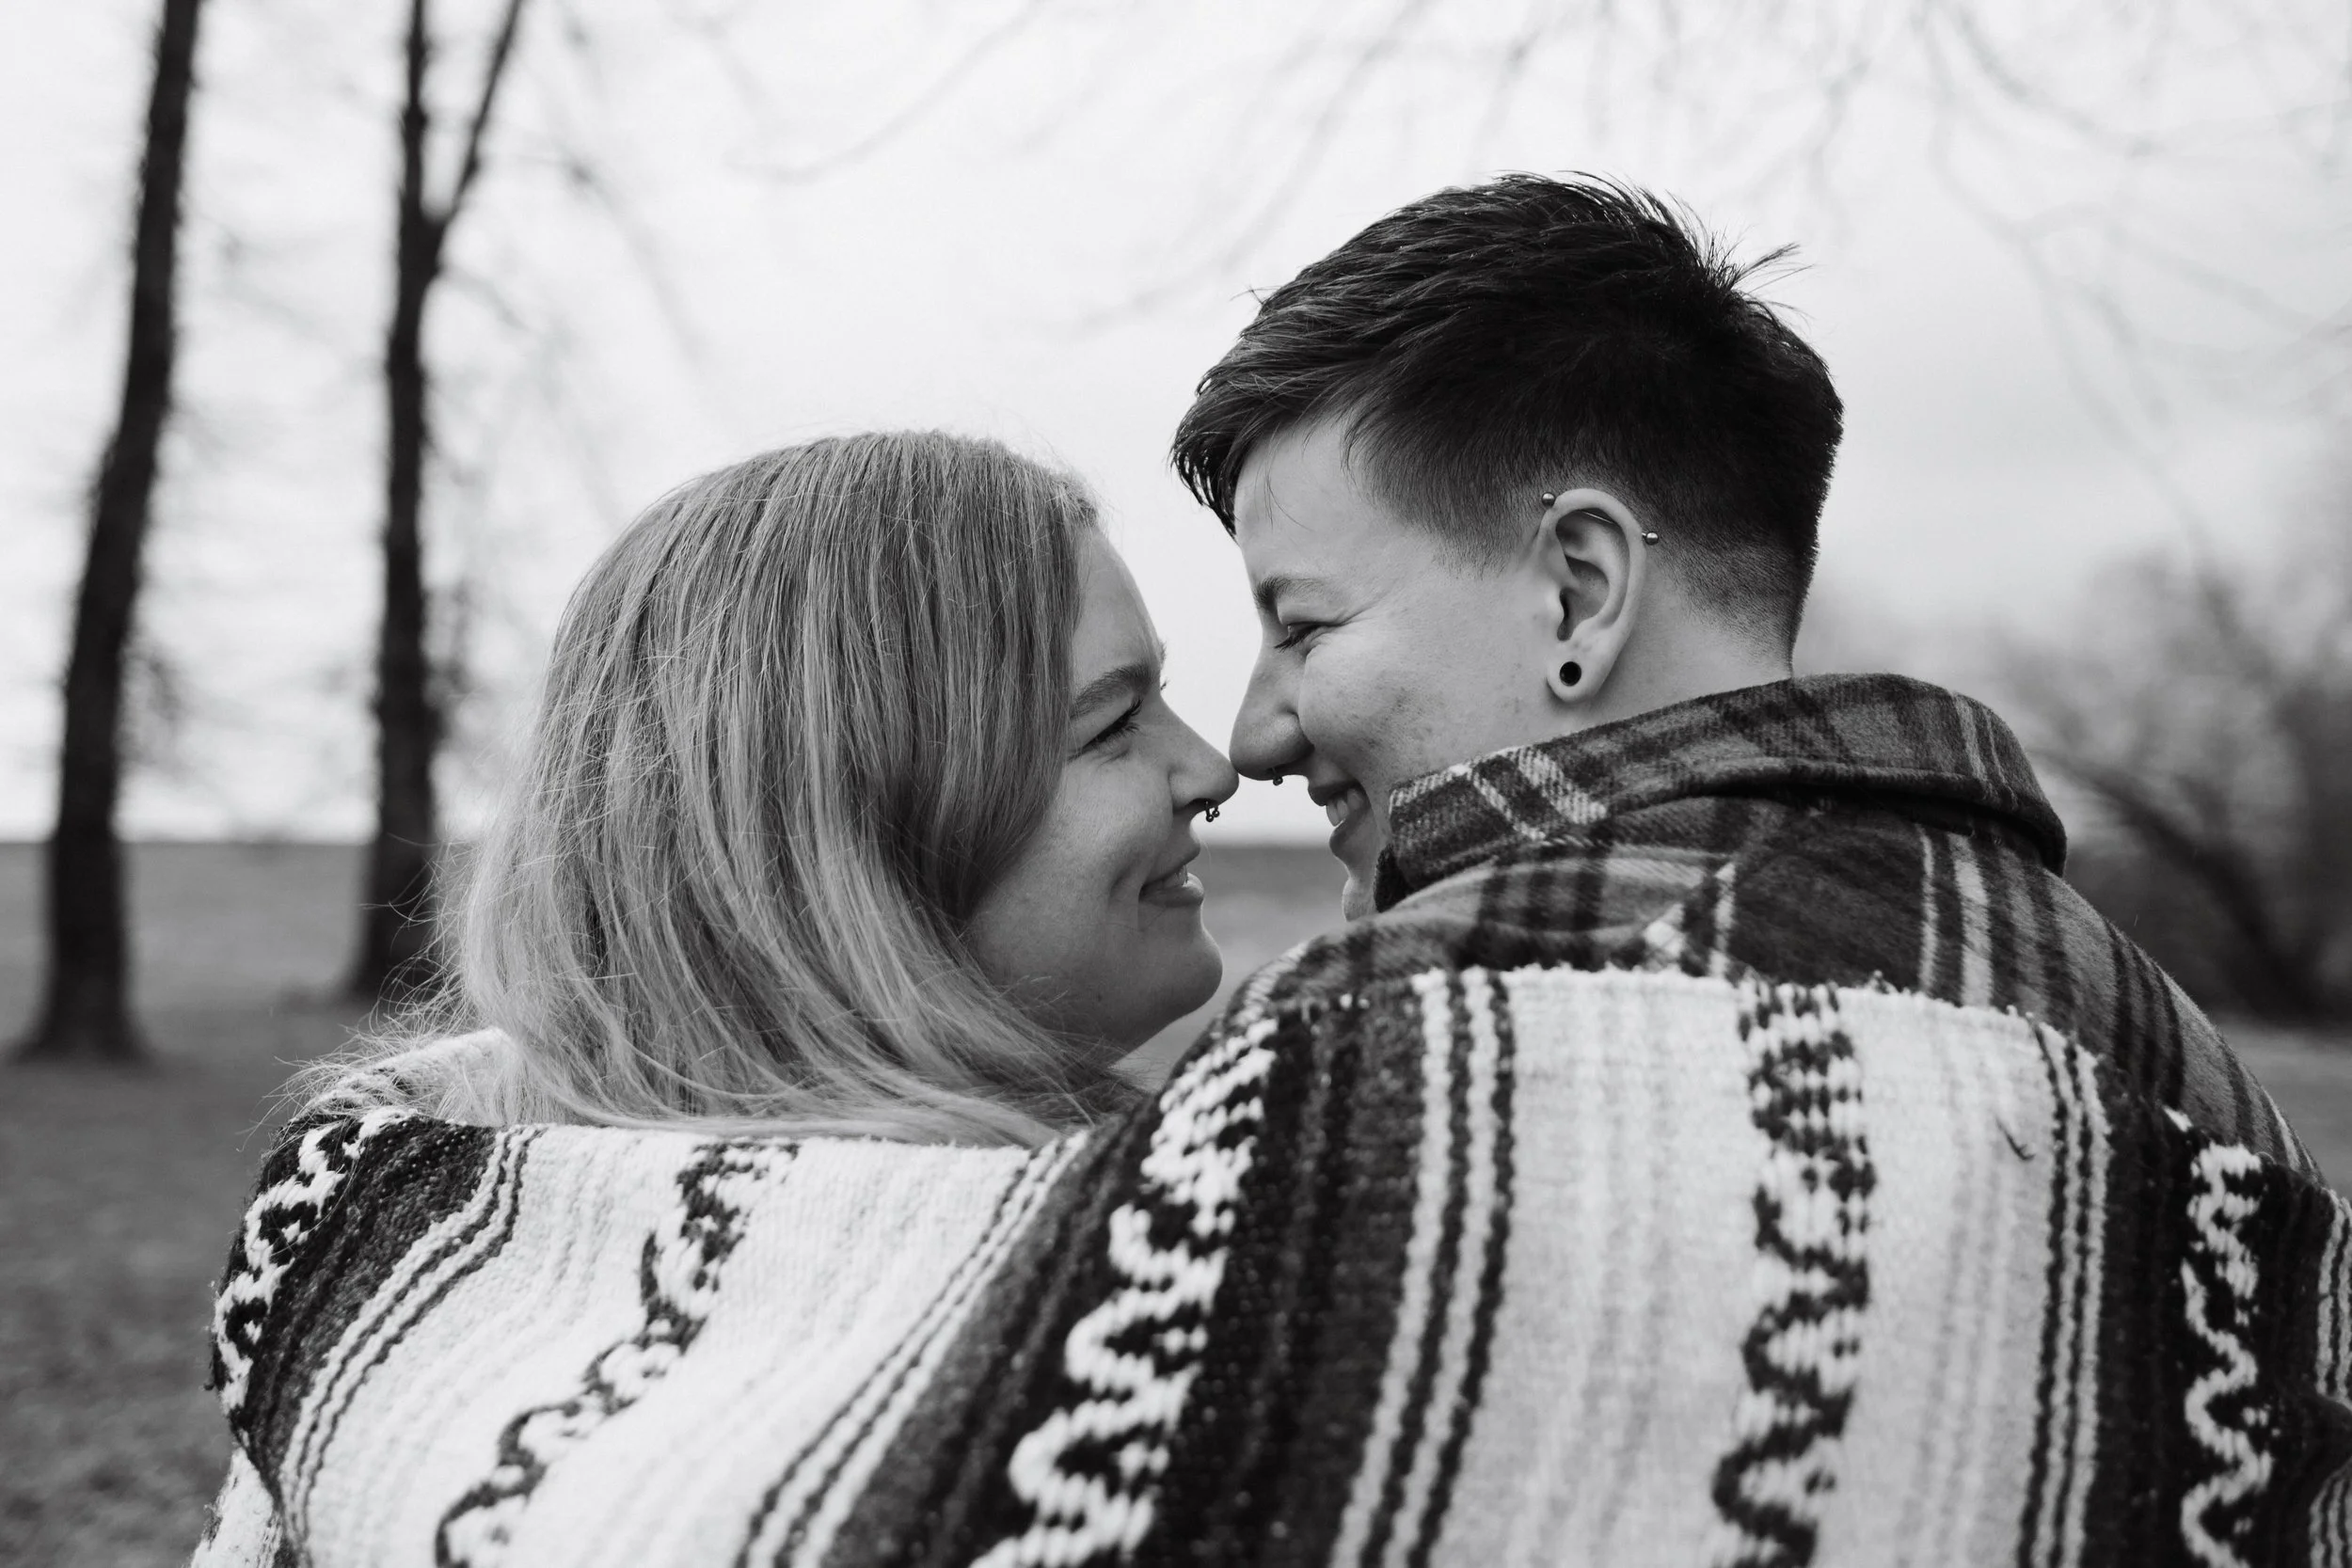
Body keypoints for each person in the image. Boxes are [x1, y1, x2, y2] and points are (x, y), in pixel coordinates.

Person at [194, 431, 1240, 1564]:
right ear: (855, 839)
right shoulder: (1124, 1315)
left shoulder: (381, 1299)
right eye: (1112, 724)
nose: (1214, 768)